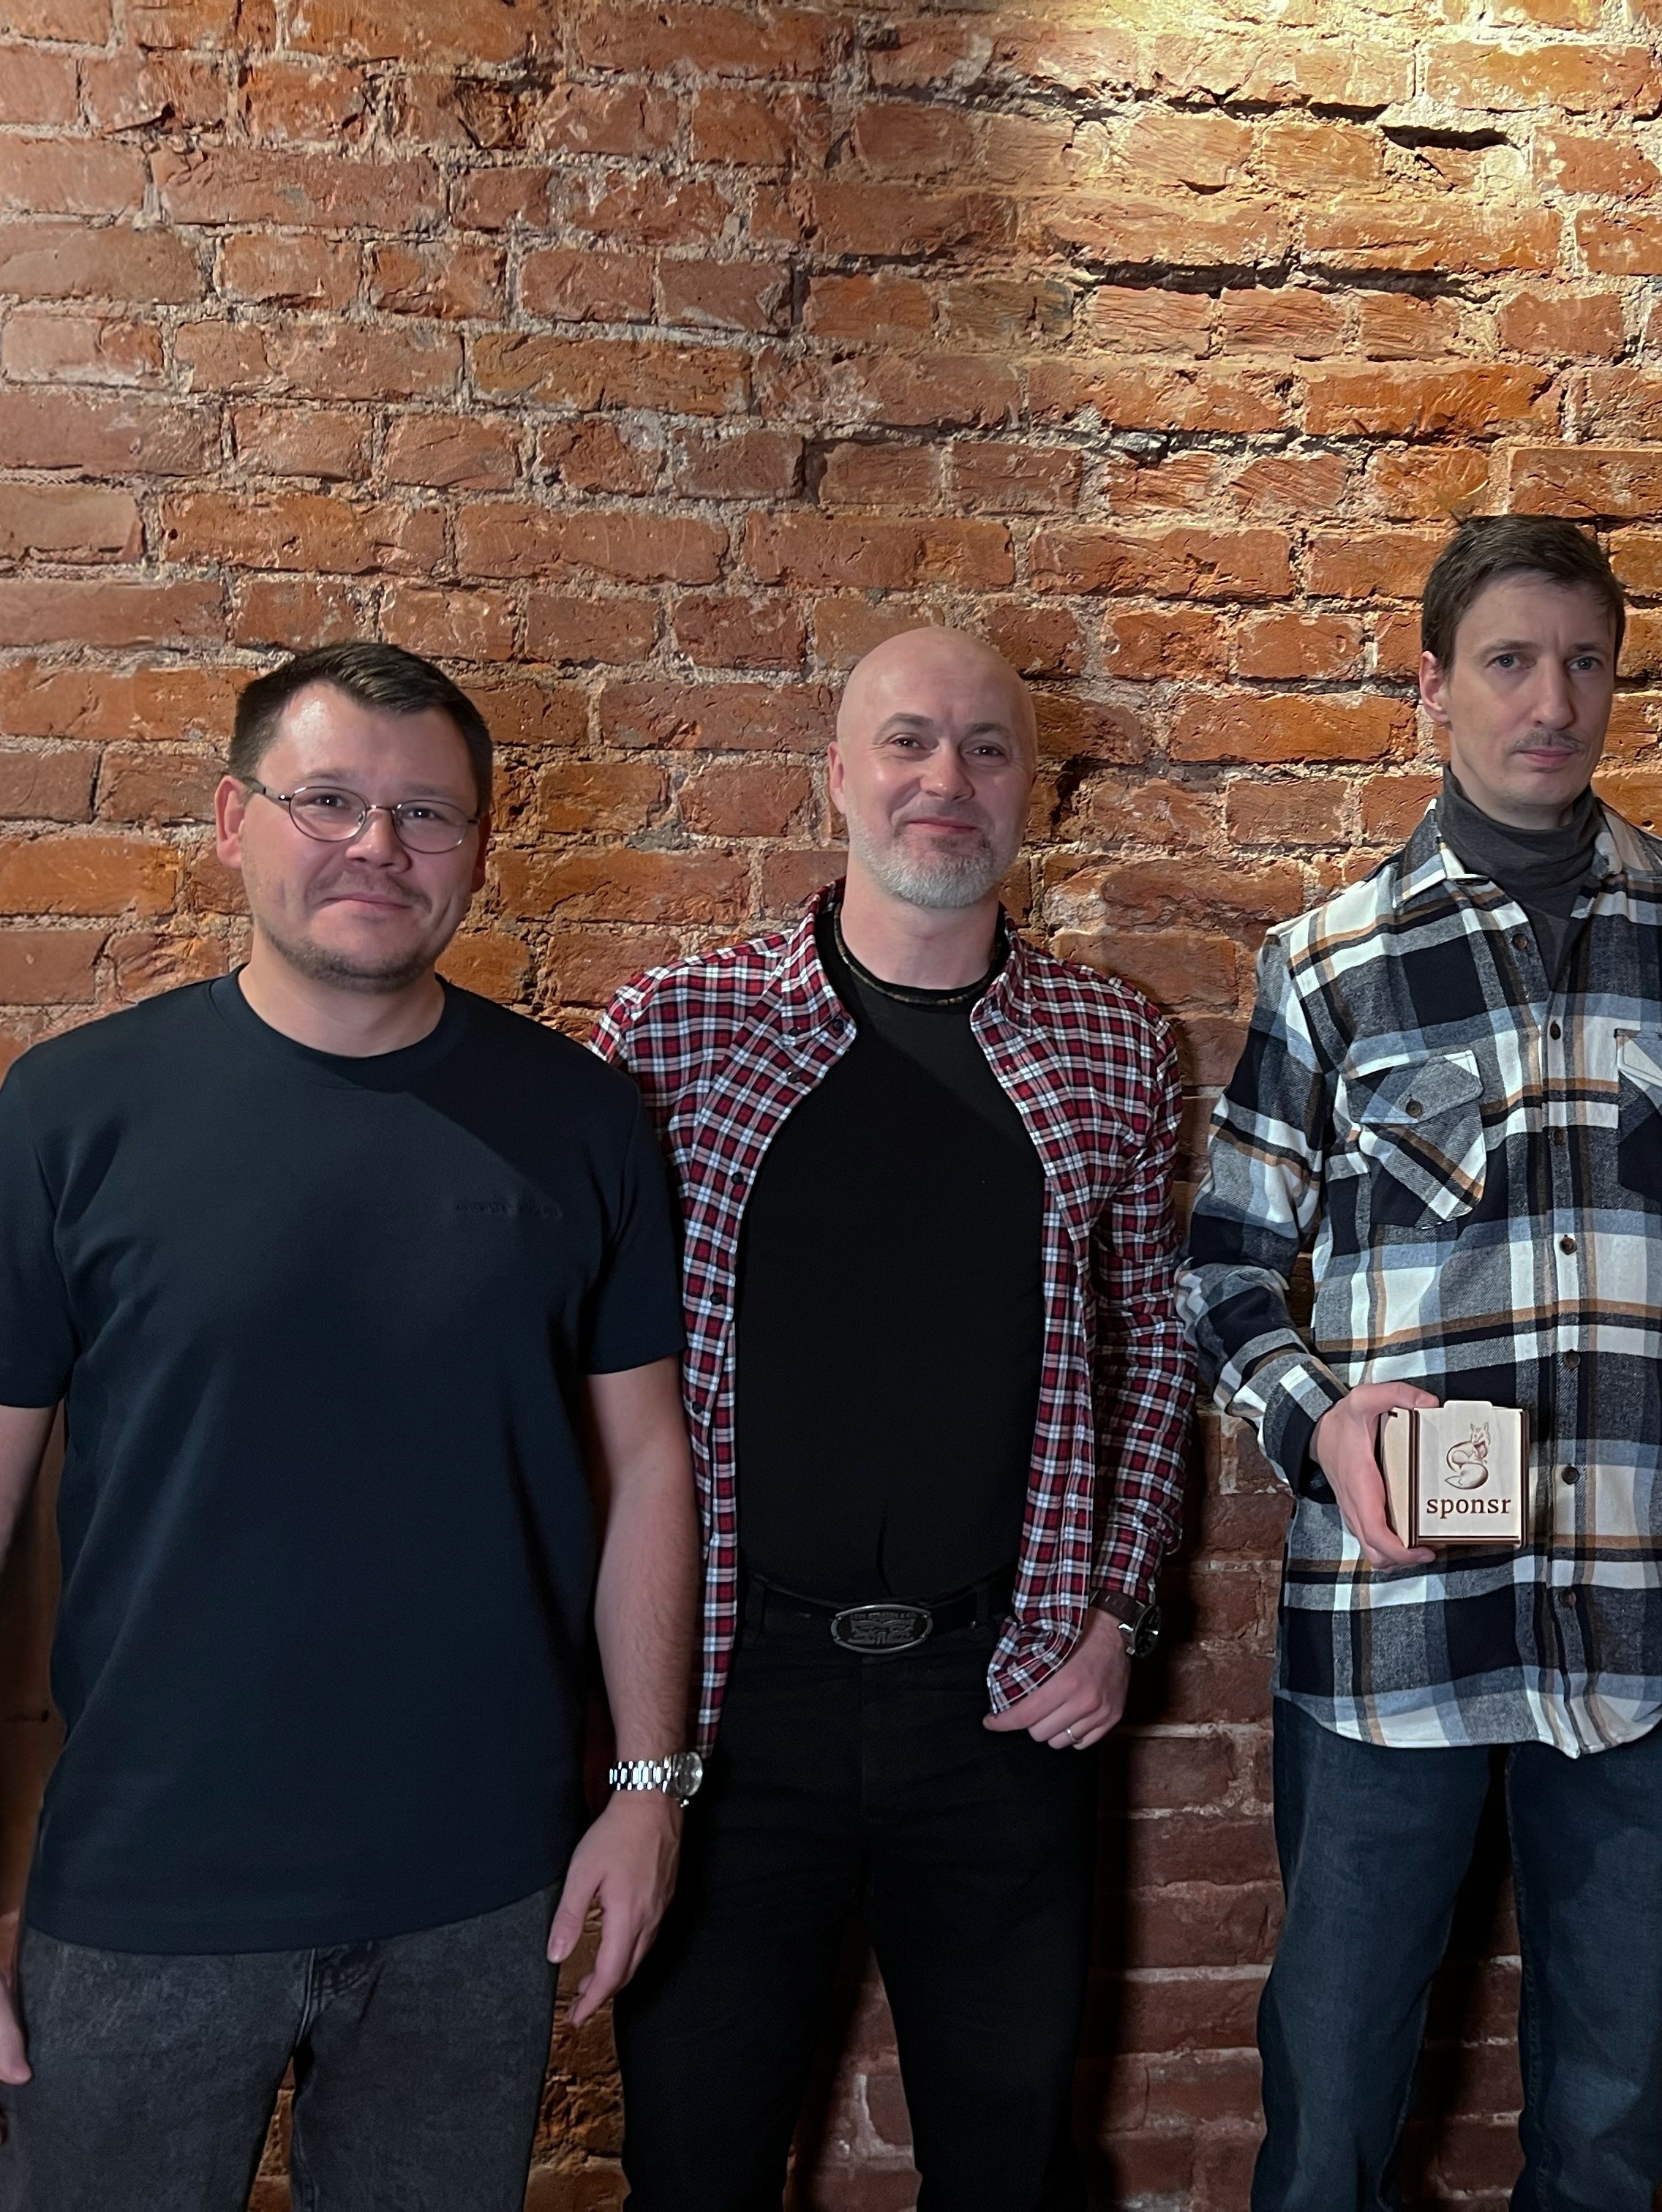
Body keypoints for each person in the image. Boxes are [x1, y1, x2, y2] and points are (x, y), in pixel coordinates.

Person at [0, 642, 699, 2210]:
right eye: (329, 802)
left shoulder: (579, 1121)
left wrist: (650, 1789)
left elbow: (650, 1467)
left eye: (426, 814)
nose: (378, 845)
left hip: (476, 1899)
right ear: (234, 820)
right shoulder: (74, 1114)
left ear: (479, 852)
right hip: (145, 1892)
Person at [1180, 514, 1662, 2211]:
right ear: (1433, 687)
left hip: (1648, 1616)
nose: (1553, 701)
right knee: (1332, 2110)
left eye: (1586, 663)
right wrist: (1320, 1429)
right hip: (1396, 1626)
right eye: (1512, 662)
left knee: (1607, 2125)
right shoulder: (1330, 964)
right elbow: (1223, 1267)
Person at [597, 625, 1192, 2211]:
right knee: (694, 2170)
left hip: (1004, 1693)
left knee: (1007, 2173)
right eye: (909, 741)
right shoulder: (671, 1031)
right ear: (838, 778)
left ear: (1031, 793)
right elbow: (593, 1373)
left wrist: (1118, 1611)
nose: (948, 779)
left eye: (988, 749)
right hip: (732, 1701)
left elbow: (1152, 1349)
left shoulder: (1116, 1043)